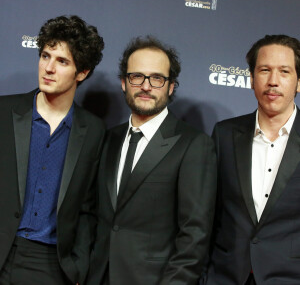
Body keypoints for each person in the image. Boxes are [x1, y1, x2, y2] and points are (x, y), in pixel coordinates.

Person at [86, 36, 217, 285]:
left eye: (157, 78)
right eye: (137, 76)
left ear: (170, 87)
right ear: (124, 83)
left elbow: (194, 234)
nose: (146, 86)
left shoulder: (193, 145)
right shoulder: (108, 139)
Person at [0, 15, 105, 285]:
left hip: (50, 265)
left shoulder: (93, 131)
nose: (48, 68)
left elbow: (88, 208)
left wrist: (78, 266)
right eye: (45, 56)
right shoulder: (4, 111)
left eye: (62, 61)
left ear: (82, 72)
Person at [205, 35, 300, 285]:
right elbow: (208, 214)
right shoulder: (224, 134)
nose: (273, 81)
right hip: (225, 276)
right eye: (264, 70)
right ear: (251, 79)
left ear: (299, 82)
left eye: (284, 71)